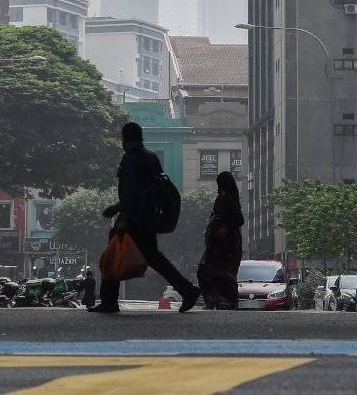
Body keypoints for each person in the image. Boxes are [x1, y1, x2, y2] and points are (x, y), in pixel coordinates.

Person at [89, 122, 201, 314]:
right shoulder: (151, 157)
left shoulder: (130, 158)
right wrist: (119, 208)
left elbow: (130, 193)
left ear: (125, 137)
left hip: (133, 219)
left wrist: (122, 216)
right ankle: (187, 290)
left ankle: (109, 301)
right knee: (155, 258)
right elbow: (150, 190)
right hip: (148, 217)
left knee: (113, 255)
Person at [197, 171, 245, 310]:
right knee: (227, 274)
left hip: (221, 245)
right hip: (230, 245)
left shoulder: (224, 198)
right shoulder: (233, 199)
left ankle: (216, 300)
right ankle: (227, 301)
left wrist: (222, 230)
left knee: (206, 270)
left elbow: (223, 219)